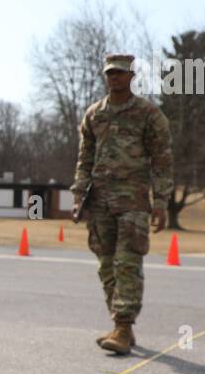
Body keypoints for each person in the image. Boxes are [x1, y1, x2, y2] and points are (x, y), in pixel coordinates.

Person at [69, 54, 174, 355]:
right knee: (106, 265)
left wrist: (161, 201)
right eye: (110, 73)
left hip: (133, 199)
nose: (114, 77)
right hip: (100, 199)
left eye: (120, 73)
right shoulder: (94, 114)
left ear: (131, 76)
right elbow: (85, 159)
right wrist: (79, 196)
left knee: (127, 263)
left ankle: (124, 326)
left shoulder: (148, 113)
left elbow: (162, 159)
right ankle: (120, 324)